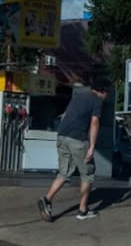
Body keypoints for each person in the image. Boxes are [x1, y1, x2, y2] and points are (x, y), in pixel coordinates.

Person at [38, 76, 109, 222]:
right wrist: (92, 146)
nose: (107, 96)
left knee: (64, 173)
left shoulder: (78, 96)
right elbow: (94, 123)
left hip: (62, 136)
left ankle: (47, 199)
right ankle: (82, 211)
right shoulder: (97, 101)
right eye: (107, 93)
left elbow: (65, 116)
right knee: (88, 173)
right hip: (78, 139)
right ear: (102, 91)